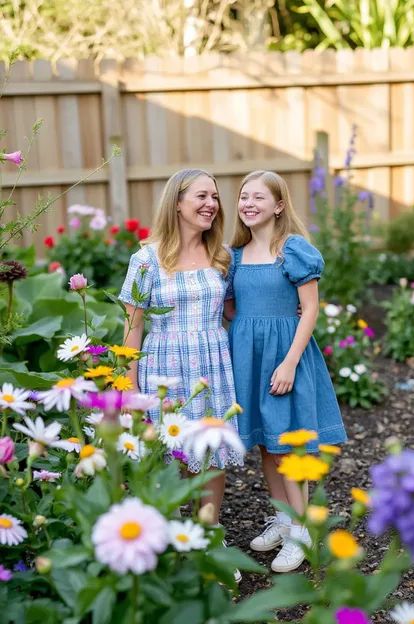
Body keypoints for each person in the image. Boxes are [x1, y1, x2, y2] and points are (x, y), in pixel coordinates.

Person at [119, 168, 244, 581]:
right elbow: (133, 327)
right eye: (202, 196)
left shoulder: (222, 255)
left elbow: (233, 312)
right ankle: (168, 538)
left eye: (215, 197)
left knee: (210, 452)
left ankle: (208, 537)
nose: (212, 204)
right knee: (168, 456)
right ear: (177, 201)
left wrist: (286, 309)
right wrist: (131, 387)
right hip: (164, 367)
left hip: (212, 362)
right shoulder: (146, 259)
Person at [224, 170, 347, 573]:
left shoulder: (292, 250)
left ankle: (301, 532)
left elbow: (309, 308)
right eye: (244, 197)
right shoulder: (236, 256)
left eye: (259, 197)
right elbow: (230, 307)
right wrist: (245, 333)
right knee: (265, 443)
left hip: (285, 359)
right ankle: (283, 518)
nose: (249, 204)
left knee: (287, 446)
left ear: (278, 206)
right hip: (249, 361)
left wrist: (290, 360)